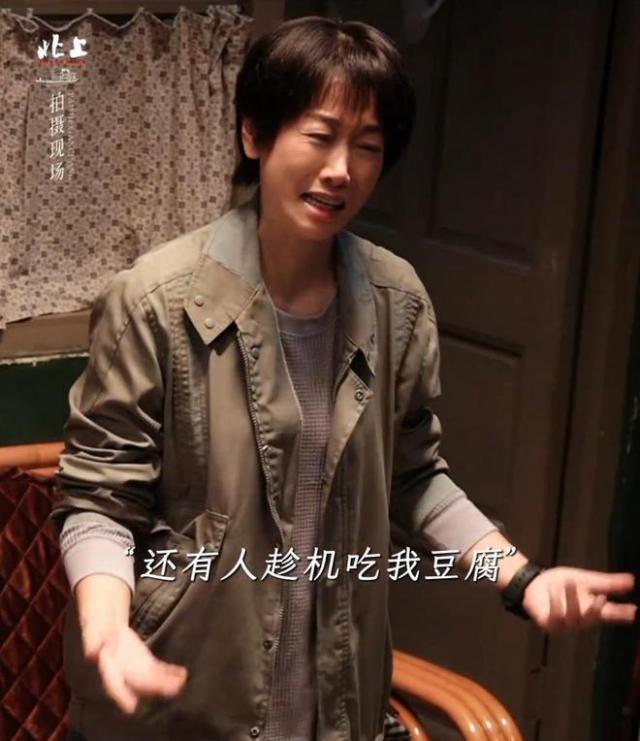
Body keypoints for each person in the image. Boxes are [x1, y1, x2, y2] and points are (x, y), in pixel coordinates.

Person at [50, 15, 637, 741]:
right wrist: (107, 626)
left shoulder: (395, 300)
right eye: (320, 135)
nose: (341, 169)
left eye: (368, 146)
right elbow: (99, 498)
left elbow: (415, 477)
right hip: (179, 700)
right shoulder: (156, 300)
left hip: (334, 705)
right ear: (255, 134)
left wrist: (523, 578)